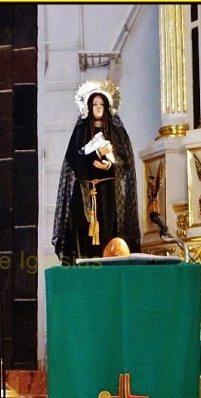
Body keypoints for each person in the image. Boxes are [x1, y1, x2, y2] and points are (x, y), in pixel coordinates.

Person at [52, 80, 141, 265]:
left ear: (107, 106)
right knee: (82, 238)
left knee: (112, 235)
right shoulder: (81, 131)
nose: (99, 108)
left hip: (109, 195)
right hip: (85, 194)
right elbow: (74, 162)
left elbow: (126, 163)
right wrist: (97, 152)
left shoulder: (117, 133)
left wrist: (109, 166)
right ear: (88, 107)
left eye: (102, 104)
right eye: (95, 104)